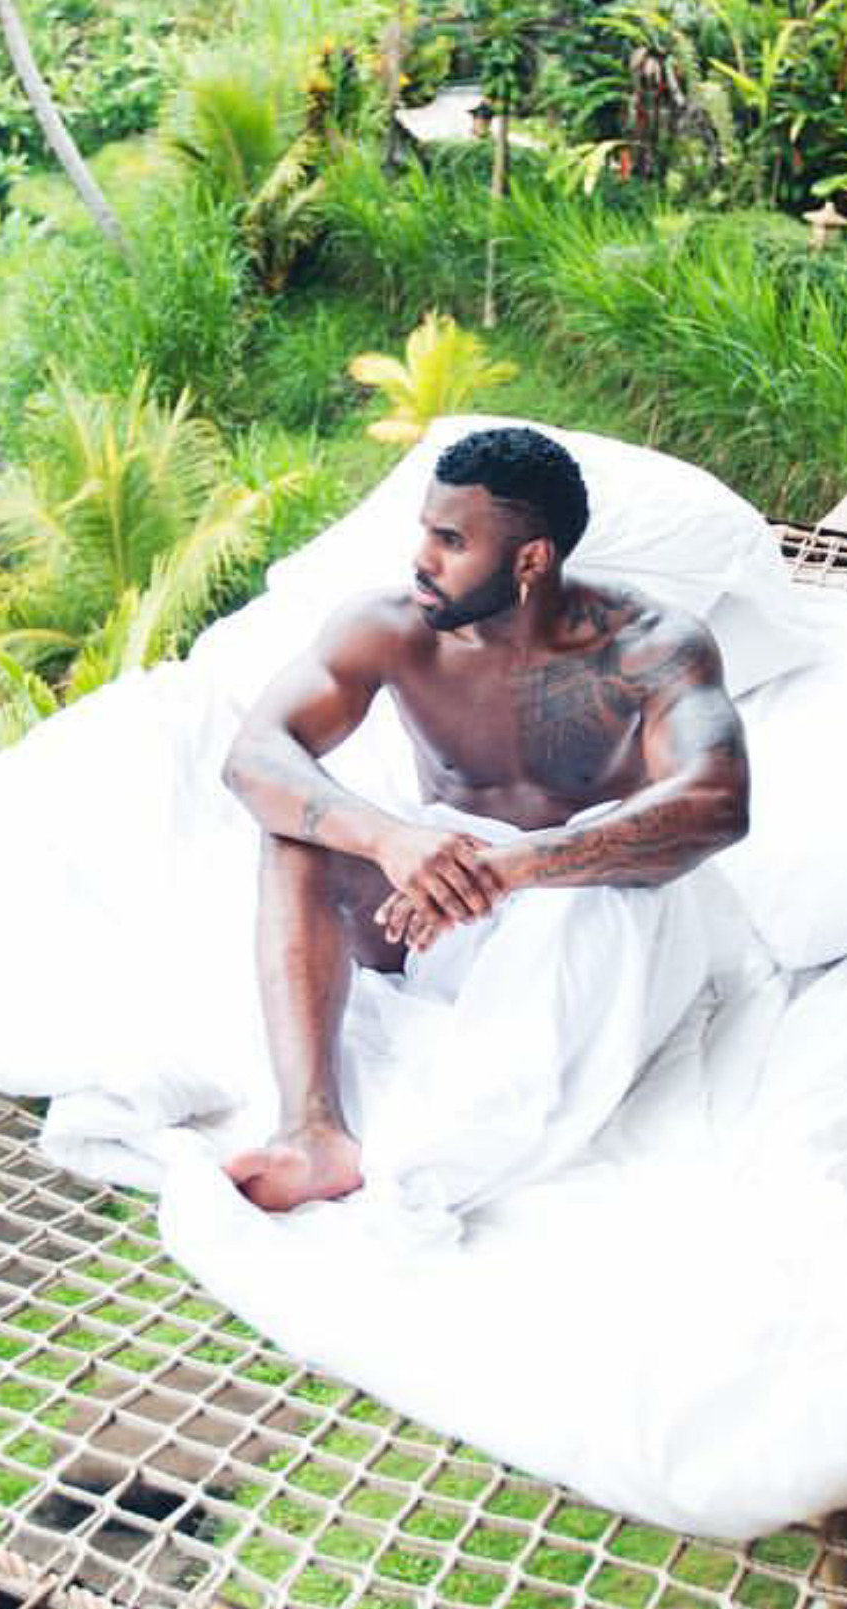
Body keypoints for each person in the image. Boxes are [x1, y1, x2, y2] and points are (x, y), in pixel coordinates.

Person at [221, 426, 749, 1212]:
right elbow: (254, 756)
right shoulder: (389, 628)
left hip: (581, 900)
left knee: (600, 900)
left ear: (531, 559)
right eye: (425, 532)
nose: (421, 560)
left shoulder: (647, 647)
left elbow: (717, 801)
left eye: (451, 542)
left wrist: (516, 867)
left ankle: (442, 1160)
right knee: (295, 834)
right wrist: (392, 839)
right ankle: (311, 1132)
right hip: (439, 899)